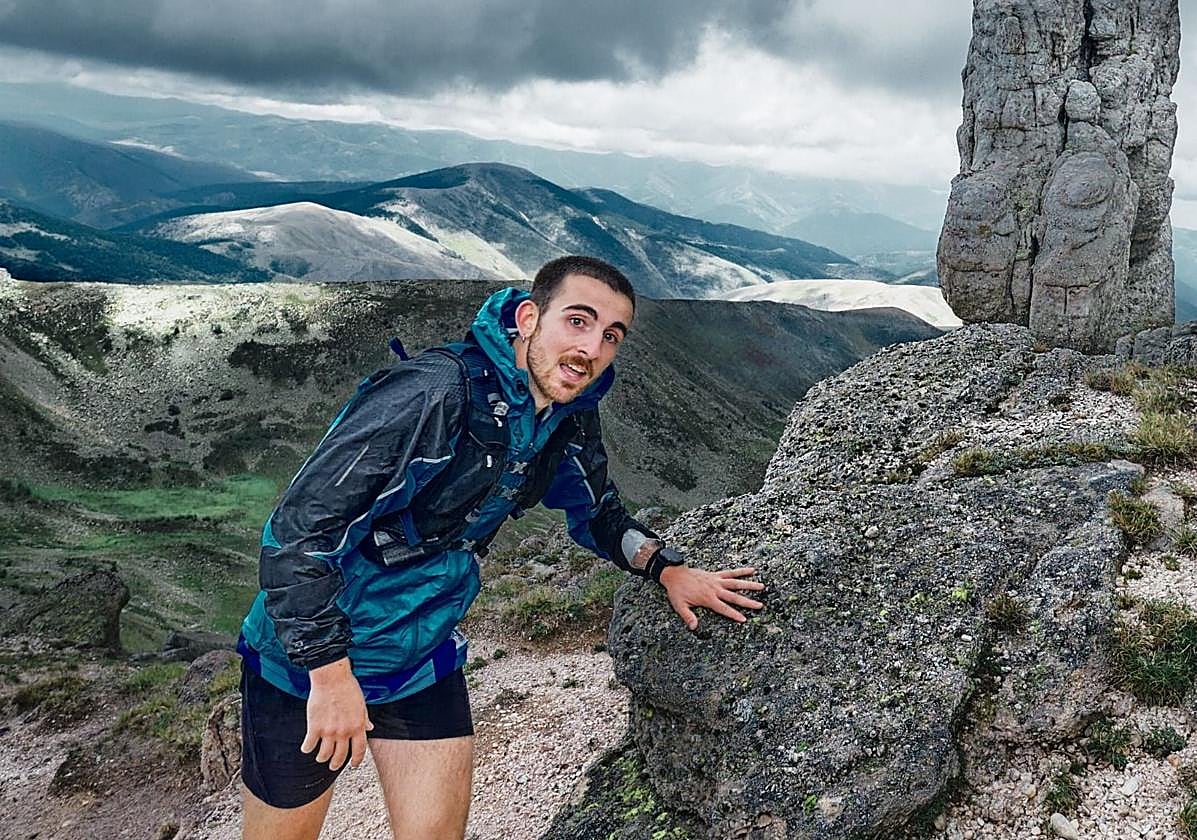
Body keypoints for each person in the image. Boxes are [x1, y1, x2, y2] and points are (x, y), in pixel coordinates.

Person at [236, 255, 766, 839]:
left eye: (611, 335)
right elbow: (299, 533)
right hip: (303, 665)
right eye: (578, 320)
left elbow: (598, 511)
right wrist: (330, 676)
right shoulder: (434, 393)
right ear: (530, 316)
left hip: (418, 653)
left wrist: (666, 569)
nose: (591, 348)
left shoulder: (566, 416)